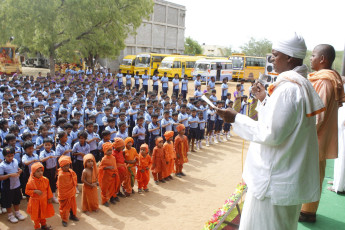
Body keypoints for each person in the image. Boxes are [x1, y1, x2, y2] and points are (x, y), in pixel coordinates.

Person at [216, 33, 324, 230]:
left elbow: (272, 134)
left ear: (289, 57)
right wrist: (264, 99)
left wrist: (236, 118)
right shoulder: (297, 84)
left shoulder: (288, 89)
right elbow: (285, 124)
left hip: (273, 184)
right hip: (284, 178)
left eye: (275, 55)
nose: (272, 60)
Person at [300, 44, 345, 222]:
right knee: (312, 174)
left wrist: (304, 134)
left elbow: (318, 116)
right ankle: (306, 209)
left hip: (315, 138)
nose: (310, 59)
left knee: (312, 175)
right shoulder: (324, 78)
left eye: (313, 55)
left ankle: (307, 212)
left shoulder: (325, 82)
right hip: (317, 137)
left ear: (322, 59)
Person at [25, 162, 55, 230]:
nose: (40, 173)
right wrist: (34, 191)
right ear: (33, 172)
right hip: (35, 202)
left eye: (41, 170)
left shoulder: (45, 180)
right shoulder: (31, 182)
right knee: (36, 216)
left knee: (43, 214)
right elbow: (27, 191)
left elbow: (48, 189)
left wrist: (49, 197)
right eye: (38, 171)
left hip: (43, 201)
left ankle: (44, 225)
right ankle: (37, 227)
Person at [0, 146, 26, 223]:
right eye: (8, 156)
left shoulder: (15, 161)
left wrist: (20, 170)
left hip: (16, 185)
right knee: (8, 202)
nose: (10, 157)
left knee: (16, 200)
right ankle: (10, 215)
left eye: (12, 155)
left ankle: (17, 213)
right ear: (4, 156)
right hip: (8, 187)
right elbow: (1, 177)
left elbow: (17, 168)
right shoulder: (2, 165)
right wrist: (9, 175)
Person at [57, 155, 79, 227]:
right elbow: (61, 187)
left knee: (72, 205)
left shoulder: (71, 171)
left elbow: (74, 179)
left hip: (71, 192)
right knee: (64, 208)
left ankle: (73, 215)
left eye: (68, 165)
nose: (67, 167)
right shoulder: (61, 175)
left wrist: (74, 187)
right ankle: (64, 219)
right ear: (61, 166)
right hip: (64, 194)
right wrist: (64, 195)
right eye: (65, 166)